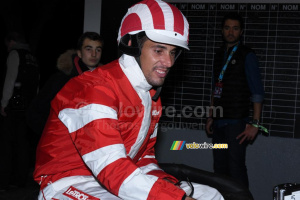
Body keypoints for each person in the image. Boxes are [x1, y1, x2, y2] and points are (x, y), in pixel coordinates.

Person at [33, 0, 224, 199]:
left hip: (116, 179)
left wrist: (168, 186)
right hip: (69, 182)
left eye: (173, 52)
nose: (168, 62)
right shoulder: (94, 89)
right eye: (159, 50)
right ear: (131, 44)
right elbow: (112, 168)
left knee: (210, 195)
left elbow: (143, 157)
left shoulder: (151, 95)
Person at [205, 12, 265, 188]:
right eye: (227, 28)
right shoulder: (218, 55)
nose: (231, 32)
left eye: (235, 28)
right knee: (219, 169)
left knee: (235, 168)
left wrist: (255, 123)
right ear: (222, 31)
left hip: (237, 124)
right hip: (219, 123)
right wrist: (210, 116)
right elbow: (215, 88)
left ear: (241, 32)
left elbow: (257, 92)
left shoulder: (247, 55)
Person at [26, 32, 104, 135]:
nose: (94, 54)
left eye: (98, 50)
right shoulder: (61, 79)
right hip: (63, 145)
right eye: (88, 49)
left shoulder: (104, 81)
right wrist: (53, 135)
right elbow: (34, 112)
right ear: (79, 53)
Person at [0, 31, 39, 191]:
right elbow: (36, 82)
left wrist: (4, 103)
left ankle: (3, 181)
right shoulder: (32, 57)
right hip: (28, 106)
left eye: (7, 44)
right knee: (22, 144)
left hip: (14, 106)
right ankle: (20, 180)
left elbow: (10, 79)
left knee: (6, 145)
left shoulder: (15, 54)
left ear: (12, 42)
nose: (7, 47)